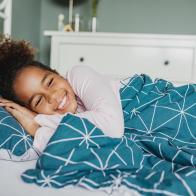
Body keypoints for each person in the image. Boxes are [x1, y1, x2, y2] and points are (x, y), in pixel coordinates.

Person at [0, 35, 124, 153]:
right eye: (38, 101)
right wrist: (36, 130)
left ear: (57, 73)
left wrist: (39, 121)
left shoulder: (78, 74)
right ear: (30, 110)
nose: (53, 96)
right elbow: (81, 148)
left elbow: (113, 129)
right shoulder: (58, 126)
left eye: (50, 82)